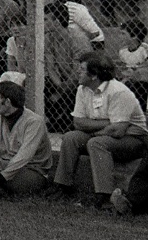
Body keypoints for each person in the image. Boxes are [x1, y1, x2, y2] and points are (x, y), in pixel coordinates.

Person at [49, 52, 148, 209]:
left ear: (94, 75)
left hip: (133, 140)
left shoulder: (118, 91)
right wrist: (107, 123)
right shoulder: (83, 89)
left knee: (96, 143)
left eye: (82, 69)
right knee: (70, 137)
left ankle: (104, 196)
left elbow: (118, 131)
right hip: (105, 134)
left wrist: (96, 129)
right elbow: (78, 122)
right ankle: (62, 186)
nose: (77, 72)